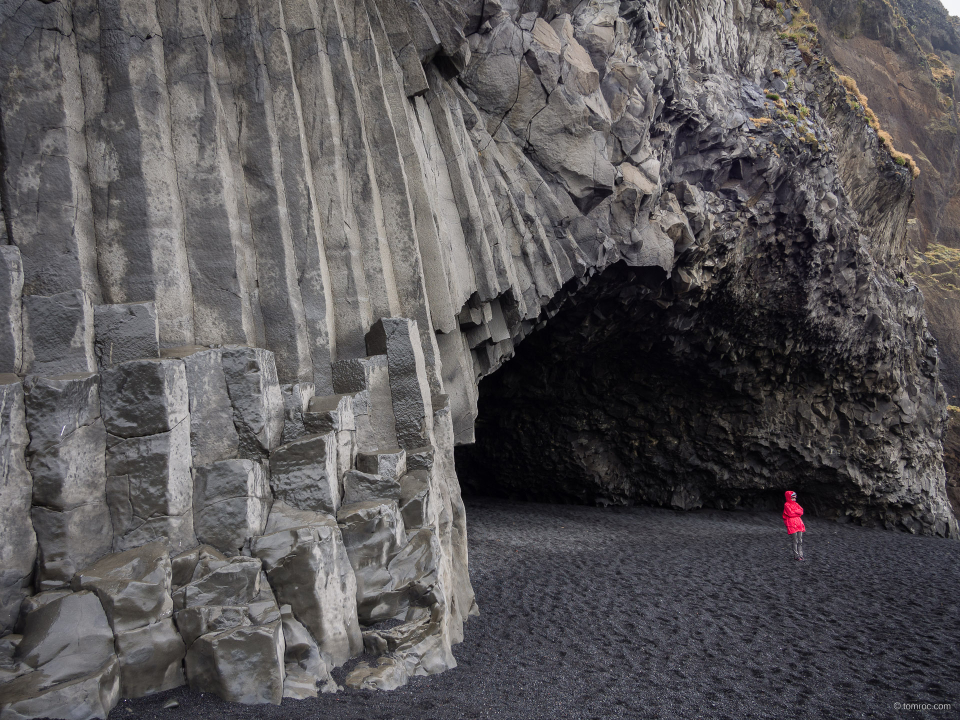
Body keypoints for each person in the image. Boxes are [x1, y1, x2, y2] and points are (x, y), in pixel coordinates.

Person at [783, 490, 805, 561]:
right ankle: (796, 555)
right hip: (792, 524)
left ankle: (801, 554)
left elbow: (801, 511)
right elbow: (790, 514)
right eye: (792, 498)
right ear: (789, 497)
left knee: (800, 540)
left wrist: (794, 512)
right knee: (795, 540)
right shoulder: (786, 505)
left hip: (798, 523)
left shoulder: (796, 504)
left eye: (795, 498)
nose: (794, 499)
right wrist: (797, 512)